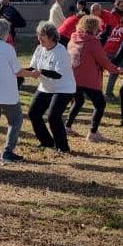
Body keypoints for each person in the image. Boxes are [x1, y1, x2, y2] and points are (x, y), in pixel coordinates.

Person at [0, 18, 38, 161]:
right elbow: (17, 71)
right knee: (15, 120)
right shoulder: (7, 48)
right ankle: (8, 151)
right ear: (6, 33)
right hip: (4, 90)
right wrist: (33, 74)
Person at [66, 15, 123, 143]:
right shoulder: (92, 42)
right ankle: (93, 133)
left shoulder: (73, 39)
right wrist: (116, 70)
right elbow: (103, 60)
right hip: (89, 79)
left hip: (73, 77)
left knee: (78, 101)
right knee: (100, 104)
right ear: (94, 27)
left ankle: (67, 126)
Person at [27, 21, 76, 152]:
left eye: (42, 35)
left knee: (53, 116)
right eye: (38, 35)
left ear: (51, 36)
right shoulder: (39, 49)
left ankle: (63, 147)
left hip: (64, 88)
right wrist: (17, 71)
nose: (39, 38)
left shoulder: (61, 51)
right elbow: (32, 68)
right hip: (46, 87)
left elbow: (57, 75)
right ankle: (47, 142)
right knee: (33, 113)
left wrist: (40, 72)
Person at [103, 12, 123, 100]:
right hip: (117, 51)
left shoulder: (117, 26)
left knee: (114, 72)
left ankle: (108, 93)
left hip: (107, 50)